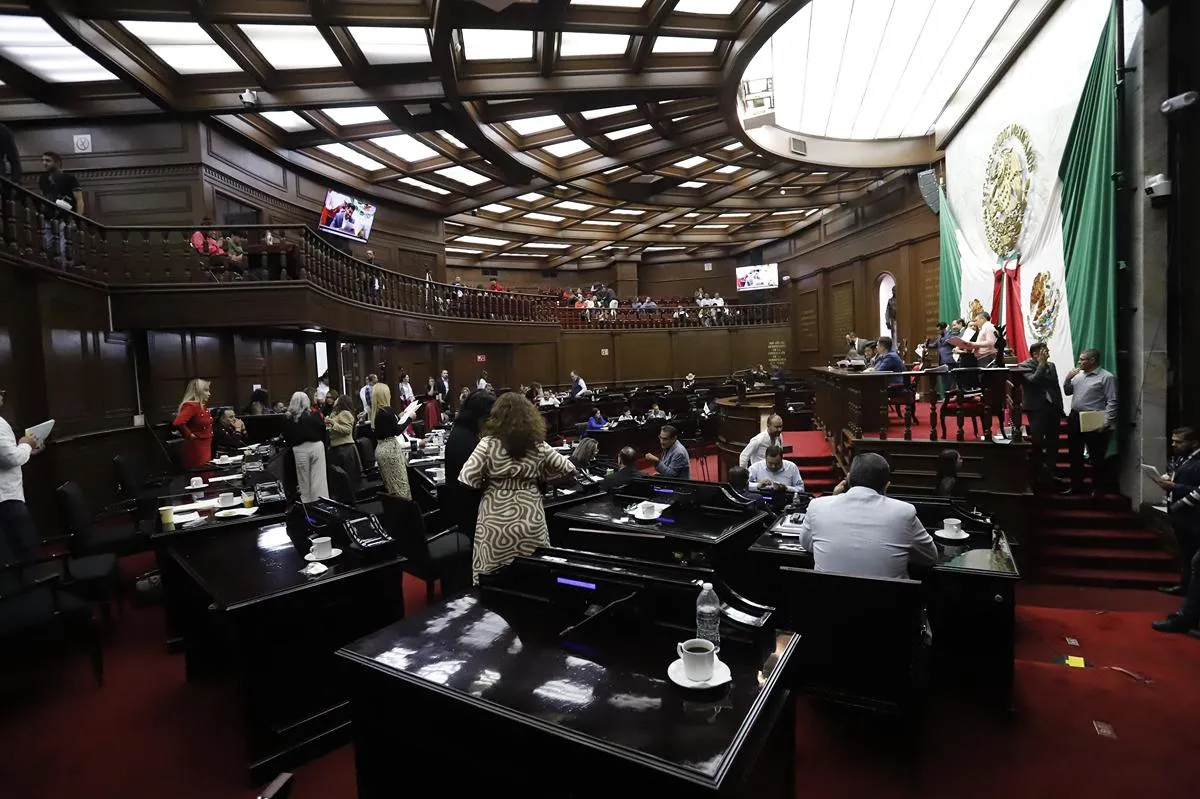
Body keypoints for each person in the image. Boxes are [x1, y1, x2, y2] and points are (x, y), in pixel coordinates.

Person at [459, 392, 576, 582]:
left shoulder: (487, 444)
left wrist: (488, 483)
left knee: (494, 579)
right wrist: (546, 479)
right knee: (534, 577)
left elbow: (466, 479)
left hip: (495, 520)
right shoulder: (538, 445)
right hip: (531, 517)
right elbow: (569, 470)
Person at [797, 452, 937, 579]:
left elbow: (807, 544)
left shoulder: (817, 506)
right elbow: (929, 557)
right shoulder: (904, 512)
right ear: (886, 486)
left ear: (848, 479)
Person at [1151, 428, 1200, 606]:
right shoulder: (1182, 458)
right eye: (1173, 441)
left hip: (1194, 515)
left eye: (1179, 442)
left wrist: (1174, 487)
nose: (1174, 445)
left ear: (1194, 442)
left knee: (1194, 556)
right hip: (1179, 514)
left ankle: (1193, 595)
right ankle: (1185, 586)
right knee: (1185, 554)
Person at [1061, 348, 1117, 495]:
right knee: (1074, 454)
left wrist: (1107, 422)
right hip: (1075, 417)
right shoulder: (1079, 376)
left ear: (1093, 360)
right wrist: (1068, 378)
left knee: (1096, 456)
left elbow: (1112, 401)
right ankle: (1075, 485)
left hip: (1093, 417)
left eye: (1082, 359)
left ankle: (1097, 489)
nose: (1079, 362)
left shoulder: (1106, 377)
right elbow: (1068, 391)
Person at [444, 390, 496, 541]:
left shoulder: (461, 431)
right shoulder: (466, 440)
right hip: (471, 517)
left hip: (461, 509)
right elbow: (475, 482)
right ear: (481, 416)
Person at [0, 387, 45, 560]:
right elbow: (11, 458)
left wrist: (26, 450)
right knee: (25, 550)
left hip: (6, 497)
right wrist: (26, 444)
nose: (2, 395)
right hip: (7, 498)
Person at [1018, 342, 1064, 489]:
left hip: (1052, 407)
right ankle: (1038, 470)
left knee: (1053, 441)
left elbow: (1055, 386)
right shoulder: (1024, 366)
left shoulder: (1052, 366)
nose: (1048, 354)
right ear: (1035, 354)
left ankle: (1051, 470)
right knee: (1037, 440)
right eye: (1045, 352)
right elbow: (1033, 381)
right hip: (1036, 408)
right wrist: (1042, 364)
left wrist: (1060, 406)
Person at [374, 392, 422, 500]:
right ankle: (404, 506)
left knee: (392, 484)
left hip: (383, 448)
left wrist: (400, 417)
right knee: (400, 485)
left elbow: (390, 427)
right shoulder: (386, 412)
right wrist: (409, 419)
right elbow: (396, 430)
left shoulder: (382, 412)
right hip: (390, 451)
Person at [284, 391, 329, 504]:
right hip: (316, 446)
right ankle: (321, 505)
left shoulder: (288, 418)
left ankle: (307, 506)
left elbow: (287, 437)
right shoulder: (315, 415)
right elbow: (323, 431)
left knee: (303, 481)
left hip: (299, 449)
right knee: (319, 480)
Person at [173, 378, 214, 470]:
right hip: (197, 446)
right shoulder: (191, 406)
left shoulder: (201, 406)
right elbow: (178, 422)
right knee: (201, 470)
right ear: (198, 391)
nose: (209, 394)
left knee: (206, 469)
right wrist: (189, 434)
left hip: (206, 443)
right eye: (206, 390)